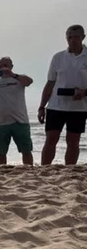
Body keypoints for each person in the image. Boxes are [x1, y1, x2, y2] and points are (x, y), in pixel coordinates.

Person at [38, 24, 87, 165]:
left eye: (76, 37)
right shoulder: (58, 57)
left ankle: (70, 169)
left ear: (83, 37)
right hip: (56, 105)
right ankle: (45, 169)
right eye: (69, 37)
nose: (72, 40)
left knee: (73, 142)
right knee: (51, 139)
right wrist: (42, 106)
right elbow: (50, 83)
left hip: (79, 107)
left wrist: (84, 92)